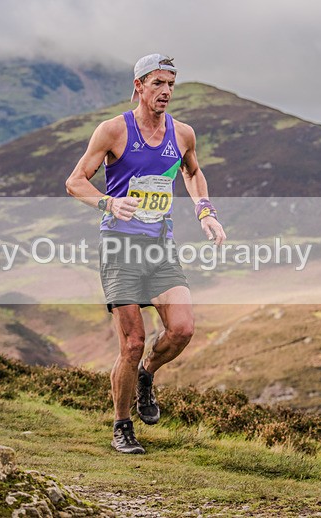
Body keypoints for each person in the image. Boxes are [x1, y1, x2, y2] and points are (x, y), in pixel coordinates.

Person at [65, 54, 226, 454]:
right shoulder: (113, 130)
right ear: (139, 86)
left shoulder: (183, 133)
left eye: (171, 84)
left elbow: (192, 171)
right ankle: (122, 427)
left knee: (182, 329)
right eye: (157, 83)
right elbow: (75, 181)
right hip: (119, 247)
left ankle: (146, 376)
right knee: (132, 342)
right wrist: (107, 203)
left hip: (160, 247)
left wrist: (205, 212)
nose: (166, 91)